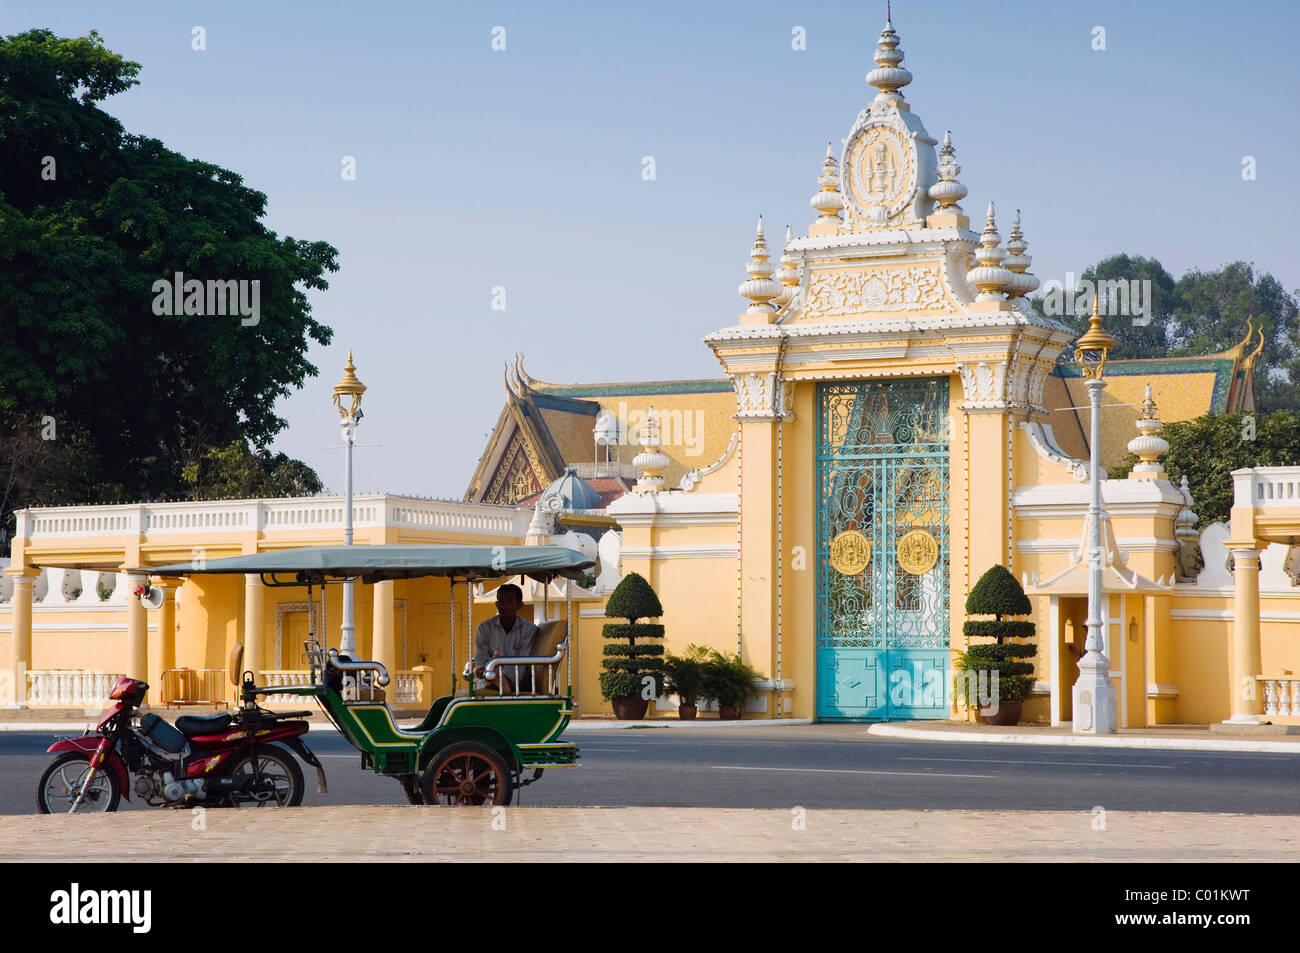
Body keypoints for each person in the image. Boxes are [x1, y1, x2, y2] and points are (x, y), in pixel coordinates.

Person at [473, 583, 538, 693]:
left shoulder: (529, 630)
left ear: (519, 605)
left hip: (516, 683)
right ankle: (497, 677)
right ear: (496, 604)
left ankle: (500, 680)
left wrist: (499, 673)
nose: (503, 606)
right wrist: (493, 672)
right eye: (501, 601)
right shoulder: (484, 628)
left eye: (509, 601)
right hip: (487, 680)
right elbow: (480, 661)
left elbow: (523, 663)